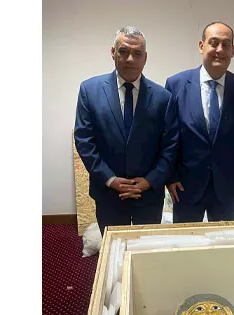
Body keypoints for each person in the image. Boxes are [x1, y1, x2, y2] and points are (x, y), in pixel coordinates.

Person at [74, 26, 179, 234]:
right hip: (108, 194)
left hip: (148, 195)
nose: (130, 59)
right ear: (113, 52)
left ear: (145, 58)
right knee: (113, 248)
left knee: (147, 248)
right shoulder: (90, 90)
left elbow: (171, 146)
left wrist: (149, 181)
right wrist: (110, 179)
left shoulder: (163, 98)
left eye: (137, 53)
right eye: (123, 51)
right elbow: (85, 141)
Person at [164, 21, 234, 223]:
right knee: (186, 239)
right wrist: (171, 177)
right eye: (214, 43)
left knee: (223, 240)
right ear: (201, 46)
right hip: (185, 186)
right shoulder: (176, 84)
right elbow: (169, 137)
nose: (219, 50)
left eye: (226, 45)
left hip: (227, 186)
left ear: (233, 50)